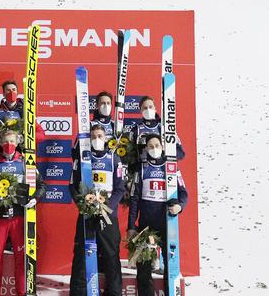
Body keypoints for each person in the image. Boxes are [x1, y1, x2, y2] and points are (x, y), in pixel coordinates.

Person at [0, 127, 40, 296]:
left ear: (18, 143)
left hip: (19, 217)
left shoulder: (25, 162)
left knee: (21, 257)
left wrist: (34, 198)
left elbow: (41, 185)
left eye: (12, 141)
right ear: (0, 143)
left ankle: (23, 292)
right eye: (6, 142)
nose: (9, 145)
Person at [127, 134, 188, 296]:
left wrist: (179, 207)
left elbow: (184, 194)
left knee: (171, 266)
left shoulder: (171, 168)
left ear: (163, 147)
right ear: (145, 149)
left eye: (157, 146)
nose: (154, 149)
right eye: (151, 146)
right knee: (144, 269)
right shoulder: (142, 169)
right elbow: (134, 200)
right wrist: (131, 226)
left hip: (167, 225)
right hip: (146, 227)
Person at [69, 123, 125, 296]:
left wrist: (106, 208)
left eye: (100, 136)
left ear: (106, 138)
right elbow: (72, 186)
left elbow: (120, 189)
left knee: (111, 257)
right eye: (93, 137)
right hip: (87, 215)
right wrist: (83, 205)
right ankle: (78, 292)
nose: (97, 140)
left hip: (108, 217)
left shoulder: (114, 159)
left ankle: (114, 292)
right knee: (81, 255)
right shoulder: (82, 160)